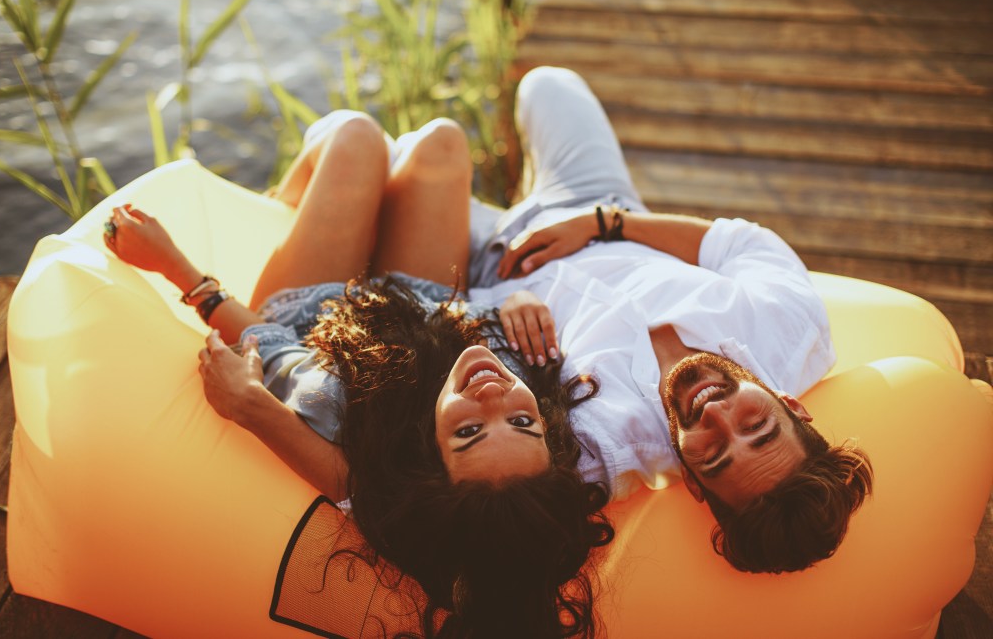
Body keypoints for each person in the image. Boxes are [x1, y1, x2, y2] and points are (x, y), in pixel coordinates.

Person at [103, 109, 613, 639]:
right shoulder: (531, 462)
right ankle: (353, 207)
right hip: (433, 302)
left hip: (322, 314)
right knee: (442, 140)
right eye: (522, 424)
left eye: (468, 432)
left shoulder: (342, 406)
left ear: (429, 460)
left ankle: (285, 205)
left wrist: (181, 273)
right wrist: (516, 302)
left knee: (355, 134)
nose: (492, 397)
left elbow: (271, 346)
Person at [467, 66, 875, 573]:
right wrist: (608, 223)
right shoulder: (791, 328)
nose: (717, 416)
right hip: (592, 207)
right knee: (547, 84)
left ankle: (499, 200)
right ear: (792, 406)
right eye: (758, 426)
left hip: (484, 265)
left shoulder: (600, 447)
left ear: (696, 486)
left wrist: (504, 306)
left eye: (716, 456)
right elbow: (737, 244)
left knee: (376, 142)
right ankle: (526, 184)